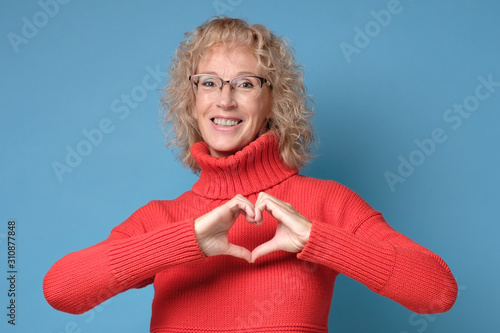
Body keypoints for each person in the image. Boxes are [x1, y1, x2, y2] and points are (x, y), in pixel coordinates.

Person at [43, 17, 458, 332]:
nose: (224, 100)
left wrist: (319, 240)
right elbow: (60, 290)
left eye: (245, 83)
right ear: (192, 101)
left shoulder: (327, 204)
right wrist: (186, 242)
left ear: (274, 100)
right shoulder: (161, 220)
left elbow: (438, 292)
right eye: (209, 83)